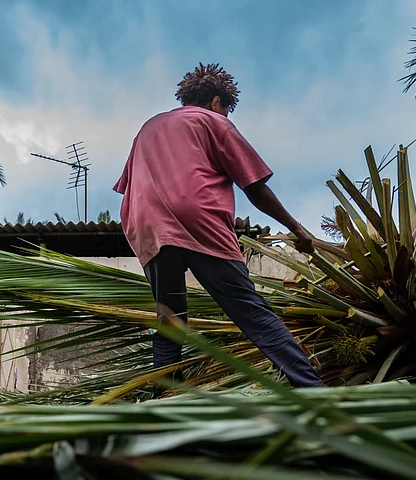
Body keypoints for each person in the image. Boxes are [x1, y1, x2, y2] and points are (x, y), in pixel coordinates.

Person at [115, 63, 324, 388]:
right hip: (196, 217)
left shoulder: (149, 127)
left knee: (170, 318)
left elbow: (126, 184)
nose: (226, 115)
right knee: (251, 311)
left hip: (145, 224)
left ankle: (164, 397)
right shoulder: (212, 121)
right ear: (216, 102)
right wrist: (298, 230)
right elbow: (254, 186)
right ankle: (313, 389)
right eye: (226, 109)